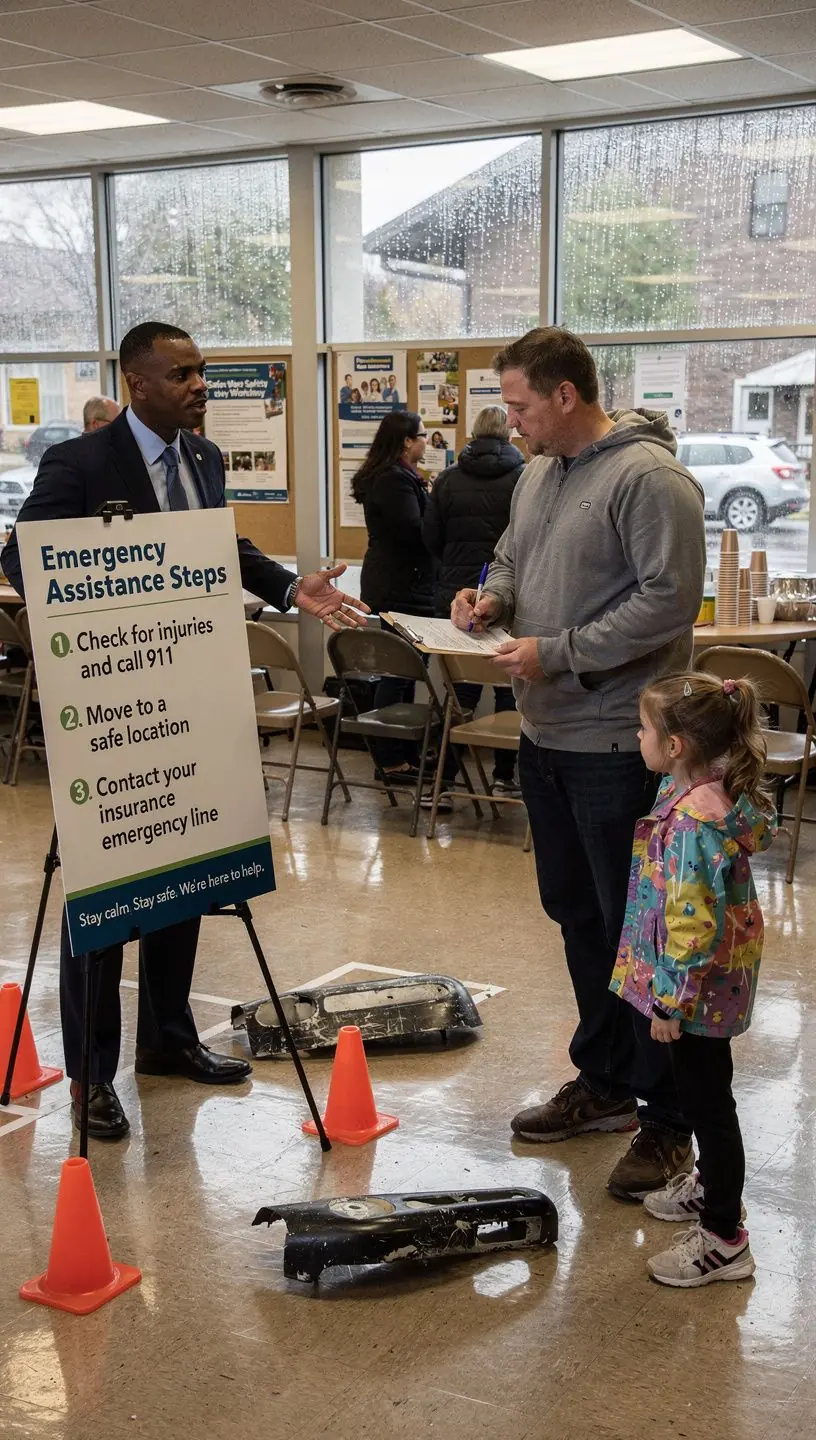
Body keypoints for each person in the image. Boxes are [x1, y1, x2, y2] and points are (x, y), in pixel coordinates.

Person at [1, 320, 368, 1142]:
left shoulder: (202, 461)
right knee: (101, 893)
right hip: (109, 708)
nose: (200, 384)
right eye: (184, 373)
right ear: (138, 382)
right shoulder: (81, 463)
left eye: (202, 371)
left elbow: (218, 549)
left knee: (183, 869)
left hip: (188, 696)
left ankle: (167, 1039)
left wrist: (286, 587)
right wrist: (109, 584)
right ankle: (92, 1076)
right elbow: (21, 559)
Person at [451, 326, 706, 1201]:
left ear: (566, 395)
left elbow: (668, 603)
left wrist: (554, 651)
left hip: (615, 742)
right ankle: (605, 1084)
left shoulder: (651, 481)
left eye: (520, 405)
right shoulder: (534, 475)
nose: (511, 420)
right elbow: (517, 559)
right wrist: (489, 598)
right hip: (546, 738)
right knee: (578, 920)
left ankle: (670, 1123)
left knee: (641, 939)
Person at [610, 672, 775, 1286]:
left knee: (708, 1103)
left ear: (676, 745)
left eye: (646, 728)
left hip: (696, 991)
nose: (638, 734)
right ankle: (709, 1185)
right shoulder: (704, 789)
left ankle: (724, 1237)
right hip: (722, 979)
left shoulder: (691, 824)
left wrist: (668, 1003)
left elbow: (691, 925)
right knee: (710, 1092)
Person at [423, 405, 525, 793]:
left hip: (455, 599)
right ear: (509, 434)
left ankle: (445, 780)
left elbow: (430, 536)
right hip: (508, 600)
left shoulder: (447, 480)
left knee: (457, 690)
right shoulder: (524, 479)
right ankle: (503, 777)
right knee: (505, 688)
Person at [353, 410, 434, 782]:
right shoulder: (394, 481)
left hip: (399, 584)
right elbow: (415, 532)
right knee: (398, 674)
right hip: (401, 587)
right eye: (422, 436)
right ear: (406, 441)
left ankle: (402, 752)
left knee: (401, 673)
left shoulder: (398, 478)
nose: (426, 442)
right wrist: (439, 514)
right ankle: (390, 759)